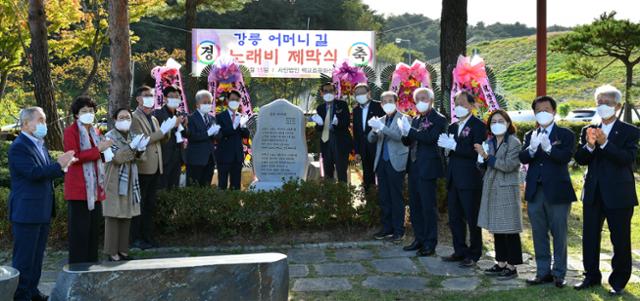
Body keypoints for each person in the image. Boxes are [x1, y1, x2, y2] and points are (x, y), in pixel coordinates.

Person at [573, 85, 639, 295]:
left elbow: (626, 159)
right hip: (593, 192)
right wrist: (590, 146)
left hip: (619, 194)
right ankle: (591, 277)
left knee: (620, 239)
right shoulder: (588, 129)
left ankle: (618, 281)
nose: (602, 106)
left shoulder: (630, 131)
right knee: (590, 237)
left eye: (607, 103)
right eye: (599, 102)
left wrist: (605, 143)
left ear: (617, 106)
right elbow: (581, 159)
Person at [9, 107, 76, 301]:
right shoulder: (19, 146)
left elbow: (44, 171)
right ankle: (21, 295)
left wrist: (59, 166)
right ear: (26, 123)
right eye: (40, 120)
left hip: (42, 209)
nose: (44, 124)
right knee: (24, 258)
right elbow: (33, 173)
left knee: (37, 256)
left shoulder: (39, 143)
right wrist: (59, 165)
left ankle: (32, 291)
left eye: (44, 120)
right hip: (26, 211)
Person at [519, 95, 576, 288]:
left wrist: (549, 149)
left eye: (546, 109)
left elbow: (565, 157)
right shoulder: (529, 135)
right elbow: (523, 157)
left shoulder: (565, 134)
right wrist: (533, 149)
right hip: (536, 190)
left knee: (559, 232)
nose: (542, 113)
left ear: (554, 111)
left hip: (558, 191)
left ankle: (559, 273)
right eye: (538, 110)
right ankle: (542, 272)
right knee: (538, 232)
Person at [438, 91, 487, 268]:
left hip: (470, 178)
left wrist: (455, 146)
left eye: (462, 103)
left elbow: (476, 153)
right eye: (456, 103)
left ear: (472, 106)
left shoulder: (478, 126)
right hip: (453, 178)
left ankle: (474, 253)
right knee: (455, 217)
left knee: (472, 218)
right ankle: (459, 250)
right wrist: (446, 148)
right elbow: (450, 152)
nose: (458, 106)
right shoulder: (452, 126)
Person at [474, 109, 523, 280]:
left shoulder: (514, 142)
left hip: (507, 188)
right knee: (497, 227)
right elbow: (486, 165)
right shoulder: (490, 141)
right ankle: (501, 262)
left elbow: (509, 165)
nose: (497, 124)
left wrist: (486, 157)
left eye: (500, 121)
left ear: (508, 123)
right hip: (492, 186)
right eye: (493, 121)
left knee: (510, 228)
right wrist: (481, 161)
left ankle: (512, 265)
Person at [63, 96, 112, 264]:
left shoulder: (95, 131)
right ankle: (77, 269)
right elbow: (74, 156)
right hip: (78, 190)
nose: (88, 114)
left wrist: (106, 150)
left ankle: (91, 267)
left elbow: (99, 157)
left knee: (92, 234)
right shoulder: (71, 131)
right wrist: (98, 149)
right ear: (76, 115)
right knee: (79, 234)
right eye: (84, 111)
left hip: (95, 191)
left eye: (91, 111)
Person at [399, 87, 446, 256]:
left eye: (423, 98)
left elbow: (430, 138)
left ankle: (430, 242)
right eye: (417, 99)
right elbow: (408, 141)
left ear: (431, 100)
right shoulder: (416, 119)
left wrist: (410, 131)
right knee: (415, 205)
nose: (420, 102)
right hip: (413, 167)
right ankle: (419, 238)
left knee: (428, 206)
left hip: (428, 168)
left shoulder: (438, 118)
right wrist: (404, 132)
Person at [130, 85, 176, 249]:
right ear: (138, 99)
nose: (149, 98)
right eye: (146, 95)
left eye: (151, 95)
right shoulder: (134, 117)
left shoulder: (154, 118)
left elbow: (160, 139)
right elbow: (142, 140)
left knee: (150, 204)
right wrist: (161, 132)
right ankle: (135, 238)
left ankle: (148, 237)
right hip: (143, 166)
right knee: (140, 205)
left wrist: (167, 129)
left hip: (156, 166)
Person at [103, 108, 148, 262]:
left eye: (127, 117)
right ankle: (111, 251)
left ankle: (123, 250)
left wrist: (140, 150)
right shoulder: (109, 136)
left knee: (127, 215)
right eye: (121, 117)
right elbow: (117, 158)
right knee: (113, 216)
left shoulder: (134, 136)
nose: (125, 120)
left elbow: (142, 158)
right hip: (114, 179)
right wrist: (132, 148)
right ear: (115, 120)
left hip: (130, 179)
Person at [367, 91, 409, 243]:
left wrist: (382, 128)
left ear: (396, 102)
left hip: (396, 162)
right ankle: (387, 228)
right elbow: (371, 139)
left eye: (390, 100)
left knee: (396, 197)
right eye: (384, 101)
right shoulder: (381, 119)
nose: (387, 103)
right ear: (381, 104)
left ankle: (399, 230)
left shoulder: (404, 118)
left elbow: (399, 136)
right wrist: (374, 130)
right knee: (384, 197)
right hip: (381, 163)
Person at [311, 82, 353, 182]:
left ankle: (343, 196)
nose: (328, 93)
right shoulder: (320, 108)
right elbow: (318, 128)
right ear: (321, 93)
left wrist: (337, 123)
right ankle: (330, 196)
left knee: (341, 172)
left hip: (340, 142)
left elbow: (347, 122)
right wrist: (319, 125)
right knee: (328, 172)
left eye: (331, 91)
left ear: (335, 92)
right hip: (326, 143)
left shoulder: (342, 104)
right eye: (325, 91)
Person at [153, 85, 187, 190]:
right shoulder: (158, 114)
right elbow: (158, 134)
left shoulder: (180, 114)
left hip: (178, 156)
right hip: (164, 156)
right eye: (172, 96)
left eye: (177, 97)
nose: (175, 99)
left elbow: (186, 134)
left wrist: (185, 125)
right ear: (165, 98)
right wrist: (173, 126)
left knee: (174, 187)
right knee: (162, 187)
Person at [352, 83, 385, 191]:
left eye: (362, 92)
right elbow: (356, 132)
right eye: (357, 94)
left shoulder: (379, 106)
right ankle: (369, 202)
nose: (359, 95)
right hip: (364, 149)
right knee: (367, 177)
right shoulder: (356, 110)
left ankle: (382, 202)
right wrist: (357, 151)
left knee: (381, 176)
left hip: (378, 147)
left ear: (369, 93)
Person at [215, 90, 250, 190]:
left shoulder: (241, 116)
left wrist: (243, 126)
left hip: (237, 157)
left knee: (236, 186)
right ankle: (222, 206)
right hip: (223, 156)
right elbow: (221, 134)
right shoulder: (219, 117)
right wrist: (234, 126)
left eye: (237, 100)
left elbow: (246, 136)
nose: (235, 102)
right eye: (232, 99)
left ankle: (234, 205)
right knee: (222, 185)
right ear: (227, 100)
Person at [185, 90, 219, 186]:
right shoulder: (191, 118)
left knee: (206, 188)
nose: (208, 105)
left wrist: (217, 132)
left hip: (210, 159)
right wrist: (208, 133)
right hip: (196, 160)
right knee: (193, 188)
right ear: (197, 104)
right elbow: (192, 137)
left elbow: (217, 137)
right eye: (205, 102)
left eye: (209, 102)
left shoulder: (212, 119)